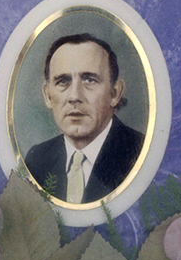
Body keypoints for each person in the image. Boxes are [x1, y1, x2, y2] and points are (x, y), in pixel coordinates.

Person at [24, 33, 144, 203]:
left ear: (114, 93)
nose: (74, 96)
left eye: (89, 80)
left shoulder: (140, 154)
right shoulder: (37, 160)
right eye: (63, 81)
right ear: (48, 96)